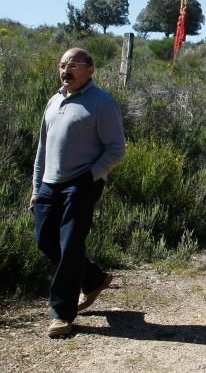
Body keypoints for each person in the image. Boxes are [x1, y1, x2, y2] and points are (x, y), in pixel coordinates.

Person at [31, 48, 126, 338]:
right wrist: (36, 188)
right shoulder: (54, 99)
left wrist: (91, 176)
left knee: (70, 244)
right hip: (49, 183)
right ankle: (95, 278)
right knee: (45, 240)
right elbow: (42, 149)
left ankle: (62, 314)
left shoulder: (102, 103)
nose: (65, 70)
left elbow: (116, 149)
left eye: (72, 65)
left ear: (90, 70)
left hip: (82, 183)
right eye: (61, 65)